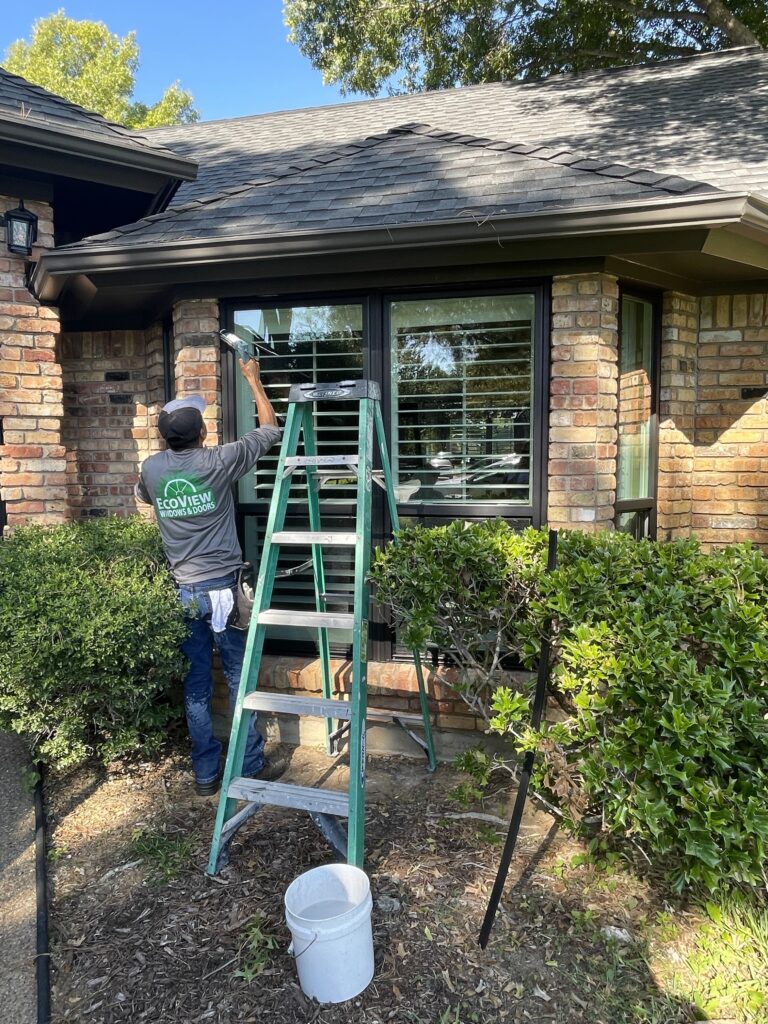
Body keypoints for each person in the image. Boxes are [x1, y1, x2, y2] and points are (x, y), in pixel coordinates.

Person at [135, 358, 282, 795]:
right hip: (224, 592)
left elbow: (145, 496)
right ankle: (250, 765)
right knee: (239, 677)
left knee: (196, 681)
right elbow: (270, 430)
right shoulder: (218, 461)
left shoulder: (153, 468)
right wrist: (253, 381)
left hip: (184, 593)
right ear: (202, 433)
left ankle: (205, 774)